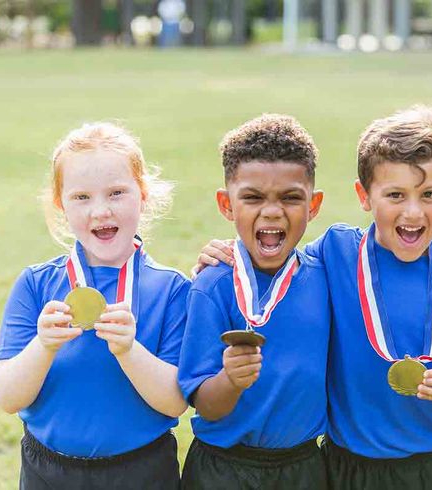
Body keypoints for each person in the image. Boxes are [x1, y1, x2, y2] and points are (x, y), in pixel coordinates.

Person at [194, 105, 432, 489]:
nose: (412, 211)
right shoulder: (337, 252)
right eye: (395, 194)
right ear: (364, 195)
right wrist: (224, 255)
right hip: (342, 466)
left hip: (428, 466)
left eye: (428, 194)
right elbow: (277, 260)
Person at [0, 122, 189, 490]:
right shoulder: (35, 285)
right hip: (48, 472)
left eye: (116, 193)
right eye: (82, 197)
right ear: (60, 205)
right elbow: (7, 396)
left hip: (143, 471)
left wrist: (129, 351)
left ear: (142, 195)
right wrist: (44, 345)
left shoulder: (173, 289)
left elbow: (175, 403)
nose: (100, 211)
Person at [178, 114, 329, 489]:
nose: (272, 211)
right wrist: (230, 379)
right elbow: (206, 405)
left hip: (305, 466)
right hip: (223, 470)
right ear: (227, 204)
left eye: (291, 197)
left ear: (314, 205)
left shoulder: (327, 276)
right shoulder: (210, 286)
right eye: (253, 197)